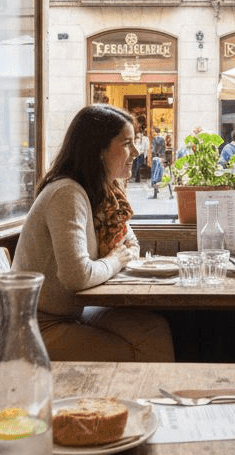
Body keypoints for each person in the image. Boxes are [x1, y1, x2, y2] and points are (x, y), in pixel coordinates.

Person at [11, 104, 175, 362]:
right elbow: (77, 276)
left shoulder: (102, 191)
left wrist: (114, 259)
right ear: (98, 150)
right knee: (140, 352)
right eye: (127, 143)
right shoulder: (67, 193)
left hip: (71, 312)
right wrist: (114, 261)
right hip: (34, 324)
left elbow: (131, 243)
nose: (136, 152)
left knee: (154, 330)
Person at [149, 127, 167, 198]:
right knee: (157, 173)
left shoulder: (157, 139)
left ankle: (155, 192)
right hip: (158, 157)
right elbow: (163, 149)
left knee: (155, 174)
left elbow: (156, 150)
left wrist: (161, 157)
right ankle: (155, 191)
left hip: (157, 158)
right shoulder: (160, 139)